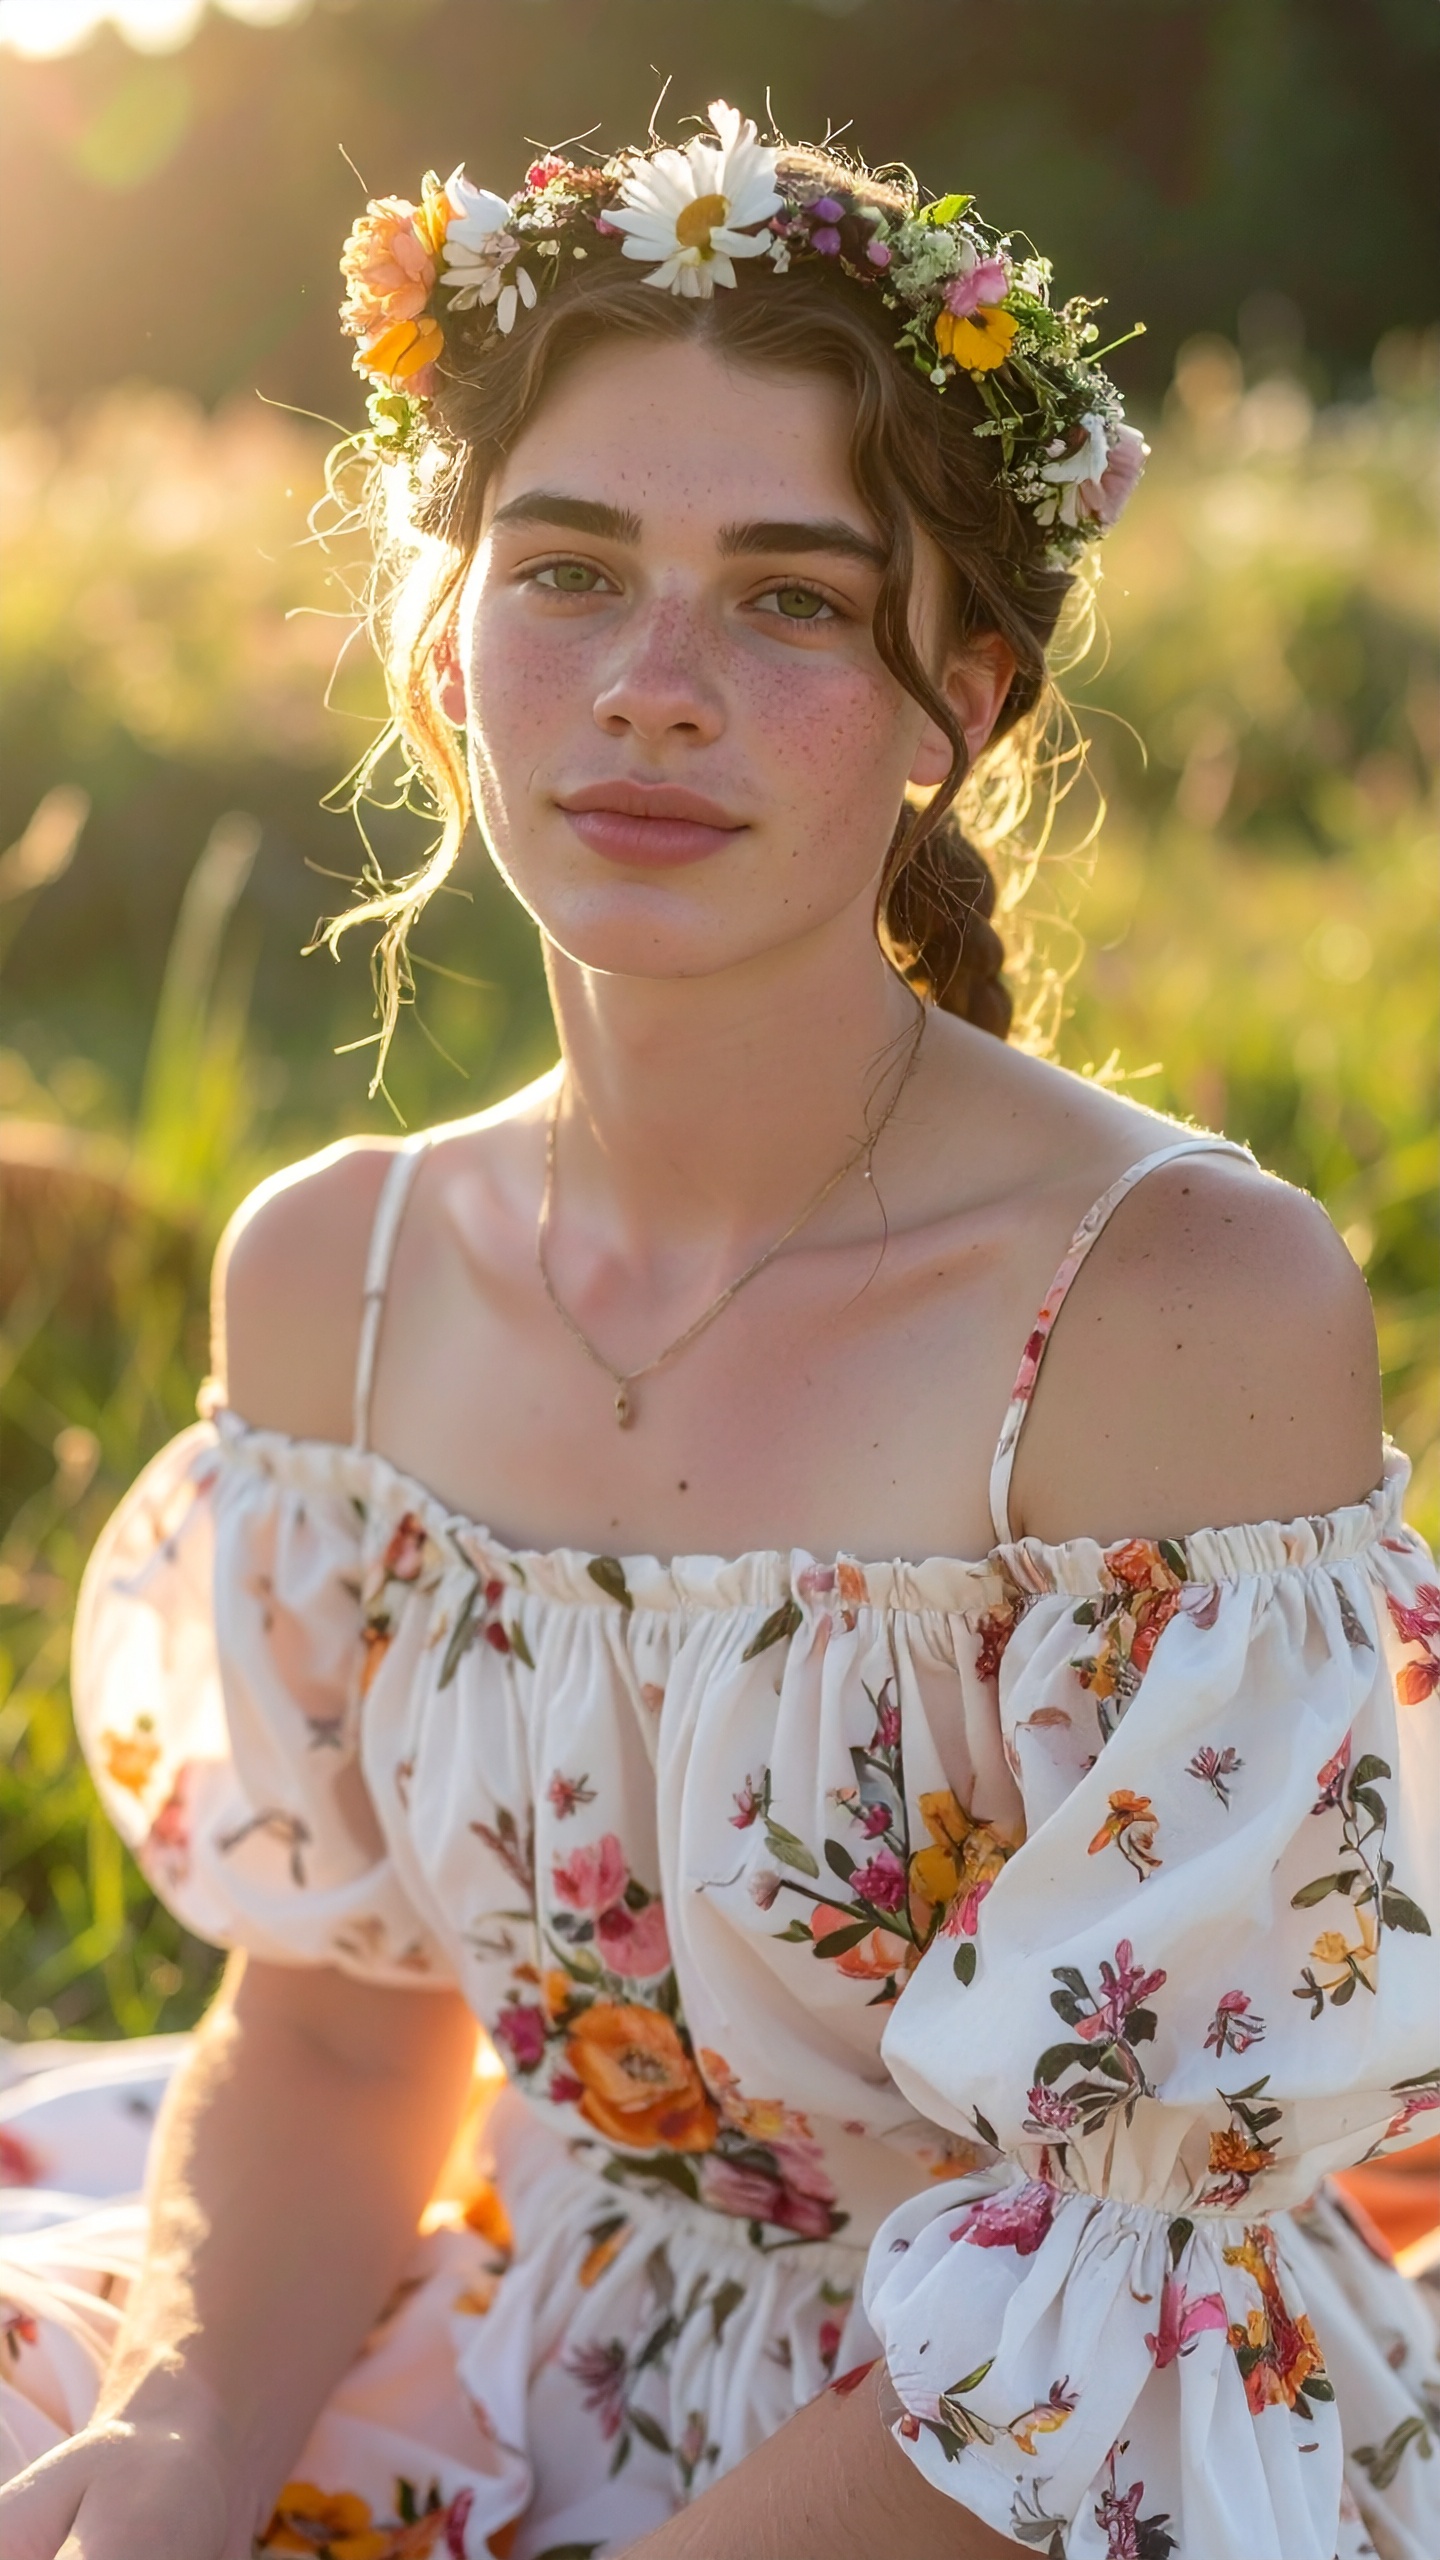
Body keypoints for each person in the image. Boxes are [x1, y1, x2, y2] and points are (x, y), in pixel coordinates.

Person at [1, 102, 1436, 2560]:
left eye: (788, 598)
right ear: (448, 654)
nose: (654, 685)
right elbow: (348, 2024)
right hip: (546, 2319)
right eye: (567, 570)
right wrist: (169, 2456)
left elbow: (1130, 2241)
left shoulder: (1171, 1304)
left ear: (955, 698)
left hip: (1051, 2436)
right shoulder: (330, 1278)